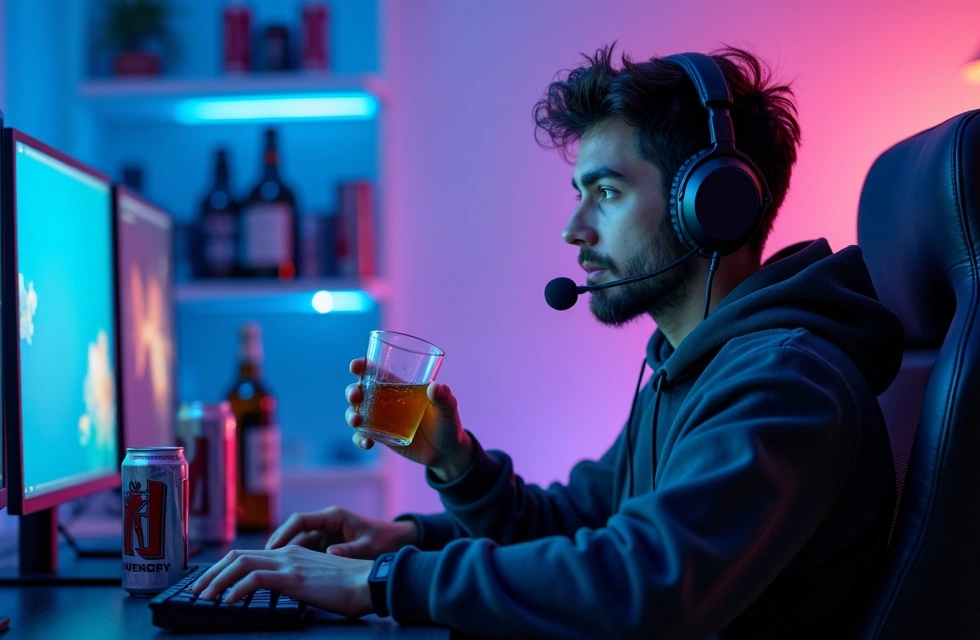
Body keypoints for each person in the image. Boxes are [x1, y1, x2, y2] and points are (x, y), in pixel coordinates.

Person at [189, 44, 903, 638]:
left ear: (713, 205)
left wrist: (378, 584)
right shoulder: (693, 371)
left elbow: (636, 583)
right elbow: (576, 524)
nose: (573, 230)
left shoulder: (784, 385)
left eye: (608, 192)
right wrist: (444, 478)